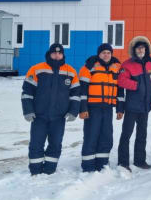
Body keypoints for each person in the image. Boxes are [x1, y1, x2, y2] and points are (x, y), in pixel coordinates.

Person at [21, 43, 80, 175]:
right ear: (50, 54)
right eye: (54, 53)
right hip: (39, 115)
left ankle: (49, 169)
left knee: (55, 143)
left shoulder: (70, 72)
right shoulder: (36, 69)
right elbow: (27, 92)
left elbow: (75, 95)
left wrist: (73, 111)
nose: (57, 55)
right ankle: (35, 171)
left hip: (59, 117)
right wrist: (28, 110)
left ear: (63, 55)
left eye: (59, 53)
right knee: (36, 143)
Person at [78, 43, 124, 172]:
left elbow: (120, 91)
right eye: (103, 52)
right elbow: (82, 90)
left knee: (106, 136)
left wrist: (120, 109)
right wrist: (83, 108)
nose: (106, 55)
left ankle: (102, 163)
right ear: (99, 54)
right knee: (91, 135)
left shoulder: (116, 68)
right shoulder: (88, 67)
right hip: (93, 108)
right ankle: (88, 165)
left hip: (108, 108)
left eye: (108, 53)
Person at [117, 36, 151, 172]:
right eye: (139, 48)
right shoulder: (127, 64)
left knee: (142, 134)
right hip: (132, 106)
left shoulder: (149, 64)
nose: (141, 50)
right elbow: (121, 81)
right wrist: (137, 85)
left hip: (145, 106)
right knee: (126, 134)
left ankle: (140, 160)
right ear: (134, 50)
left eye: (143, 48)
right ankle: (123, 162)